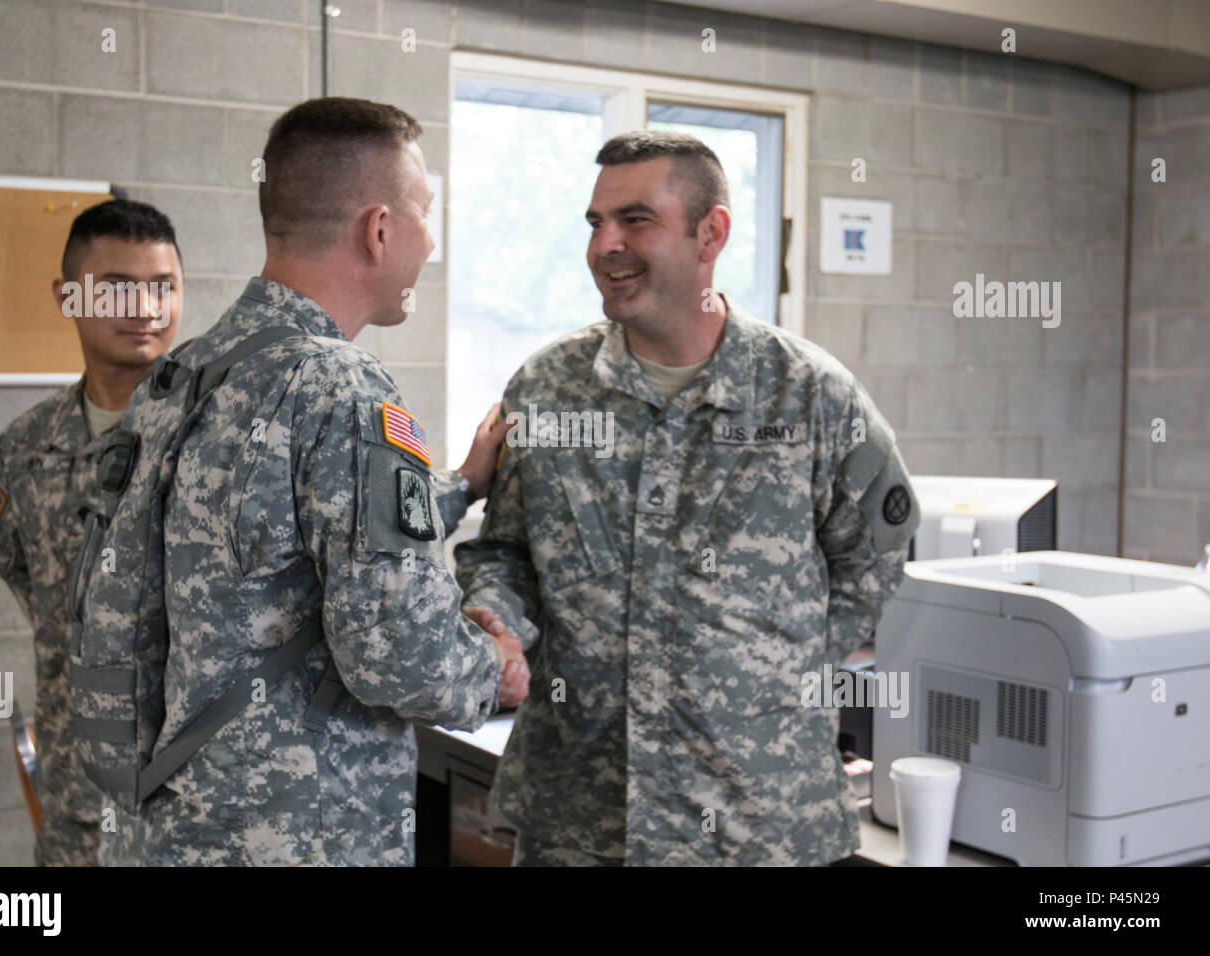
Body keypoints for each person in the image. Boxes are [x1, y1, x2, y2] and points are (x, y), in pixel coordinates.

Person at [454, 130, 921, 866]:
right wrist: (499, 624)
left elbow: (875, 561)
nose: (606, 244)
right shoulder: (548, 389)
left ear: (713, 233)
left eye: (635, 220)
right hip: (583, 818)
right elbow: (505, 550)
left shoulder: (810, 396)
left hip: (758, 822)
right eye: (594, 223)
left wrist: (760, 680)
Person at [94, 97, 528, 867]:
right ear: (380, 228)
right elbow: (399, 654)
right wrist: (494, 669)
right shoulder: (342, 385)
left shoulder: (189, 371)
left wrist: (459, 484)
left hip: (170, 824)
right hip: (295, 836)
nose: (430, 243)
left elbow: (261, 545)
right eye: (424, 216)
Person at [0, 199, 186, 865]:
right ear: (67, 296)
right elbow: (27, 579)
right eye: (118, 288)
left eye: (163, 285)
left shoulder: (217, 436)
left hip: (199, 804)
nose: (146, 307)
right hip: (77, 797)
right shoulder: (24, 447)